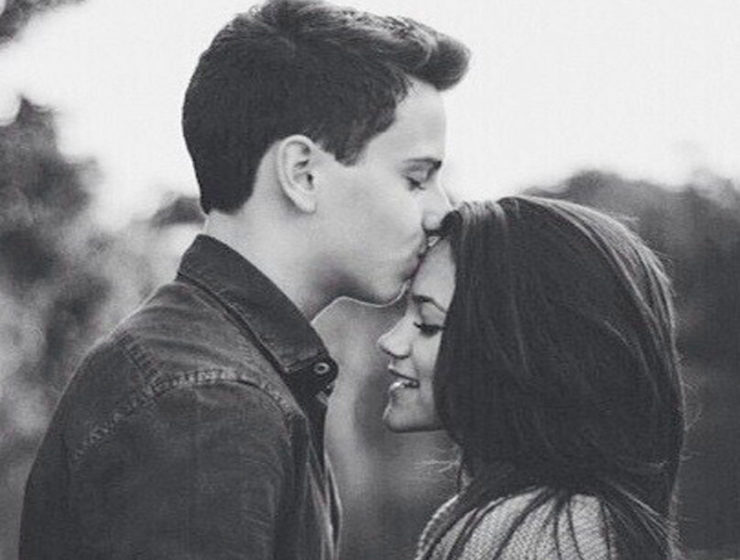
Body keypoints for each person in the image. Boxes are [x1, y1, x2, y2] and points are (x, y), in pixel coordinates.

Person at [19, 1, 469, 558]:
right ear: (303, 174)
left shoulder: (219, 373)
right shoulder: (210, 402)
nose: (441, 211)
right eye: (416, 178)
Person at [379, 196, 684, 559]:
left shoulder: (536, 539)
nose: (390, 341)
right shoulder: (569, 523)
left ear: (531, 349)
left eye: (428, 324)